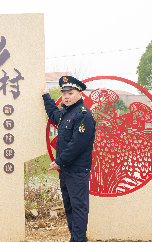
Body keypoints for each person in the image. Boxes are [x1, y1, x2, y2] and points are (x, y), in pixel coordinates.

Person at [41, 76, 96, 242]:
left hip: (77, 171)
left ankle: (79, 239)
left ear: (80, 94)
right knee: (70, 207)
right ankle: (75, 238)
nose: (66, 96)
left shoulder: (83, 115)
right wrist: (45, 96)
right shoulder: (67, 112)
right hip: (66, 171)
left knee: (79, 208)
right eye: (64, 93)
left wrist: (59, 161)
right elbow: (53, 114)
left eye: (70, 93)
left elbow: (76, 145)